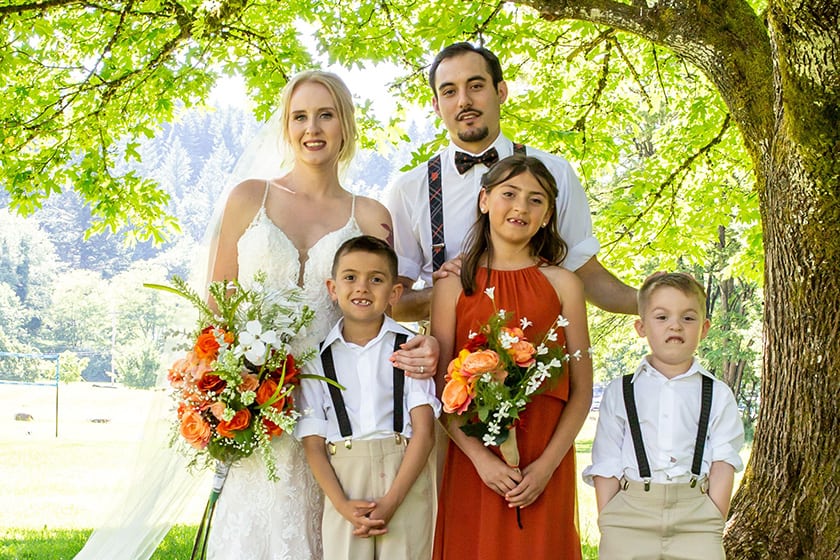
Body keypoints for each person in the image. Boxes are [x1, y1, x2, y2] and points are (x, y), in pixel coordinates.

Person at [204, 70, 438, 559]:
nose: (313, 128)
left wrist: (441, 310)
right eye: (300, 116)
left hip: (338, 410)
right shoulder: (249, 197)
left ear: (345, 125)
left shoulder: (370, 215)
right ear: (286, 127)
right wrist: (225, 391)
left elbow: (387, 301)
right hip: (259, 402)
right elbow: (217, 307)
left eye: (326, 115)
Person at [384, 41, 637, 322]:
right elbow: (391, 304)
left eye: (476, 86)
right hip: (447, 358)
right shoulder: (409, 189)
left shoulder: (555, 173)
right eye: (449, 91)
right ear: (436, 105)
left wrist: (657, 300)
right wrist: (452, 290)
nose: (463, 101)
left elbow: (587, 275)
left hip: (541, 354)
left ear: (501, 92)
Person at [431, 155, 593, 559]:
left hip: (543, 456)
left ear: (548, 215)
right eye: (509, 194)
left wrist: (546, 466)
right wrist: (482, 461)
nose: (521, 207)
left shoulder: (565, 285)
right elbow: (439, 390)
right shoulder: (454, 286)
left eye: (535, 200)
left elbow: (583, 390)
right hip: (474, 459)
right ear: (485, 200)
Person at [583, 272, 745, 560]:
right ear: (641, 327)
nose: (675, 325)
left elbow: (724, 460)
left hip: (696, 517)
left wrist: (713, 518)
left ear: (704, 328)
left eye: (688, 318)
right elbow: (607, 460)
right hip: (629, 516)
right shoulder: (620, 392)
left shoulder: (718, 394)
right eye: (662, 317)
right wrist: (609, 518)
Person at [296, 235, 440, 559]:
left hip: (405, 476)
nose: (362, 287)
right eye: (350, 278)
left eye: (376, 279)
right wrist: (342, 505)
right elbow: (313, 443)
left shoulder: (411, 347)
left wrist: (391, 502)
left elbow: (425, 432)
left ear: (394, 293)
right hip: (345, 484)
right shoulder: (317, 358)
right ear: (333, 288)